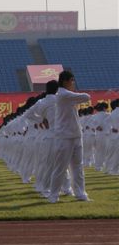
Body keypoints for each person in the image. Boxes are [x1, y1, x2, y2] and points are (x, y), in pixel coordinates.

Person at [47, 71, 91, 203]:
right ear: (65, 81)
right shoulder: (63, 94)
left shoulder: (67, 95)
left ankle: (80, 193)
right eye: (72, 80)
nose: (73, 83)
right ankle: (53, 195)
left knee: (78, 167)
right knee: (60, 167)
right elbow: (86, 97)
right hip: (64, 136)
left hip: (75, 134)